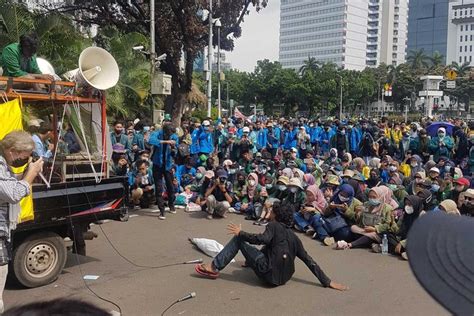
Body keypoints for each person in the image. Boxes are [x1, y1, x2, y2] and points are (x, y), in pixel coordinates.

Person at [195, 201, 348, 291]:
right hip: (284, 278)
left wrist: (241, 233)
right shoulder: (294, 237)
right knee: (272, 245)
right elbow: (309, 260)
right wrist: (327, 281)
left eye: (272, 212)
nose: (270, 214)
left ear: (276, 215)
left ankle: (214, 267)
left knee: (238, 240)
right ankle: (249, 262)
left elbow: (261, 239)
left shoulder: (273, 225)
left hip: (267, 274)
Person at [0, 131, 44, 313]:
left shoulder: (4, 165)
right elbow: (11, 194)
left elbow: (7, 186)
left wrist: (26, 174)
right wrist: (30, 175)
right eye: (24, 157)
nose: (25, 161)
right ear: (12, 151)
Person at [149, 122, 179, 220]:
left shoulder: (173, 135)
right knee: (159, 188)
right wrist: (165, 142)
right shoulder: (157, 133)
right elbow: (151, 140)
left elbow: (176, 149)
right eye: (169, 133)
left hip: (168, 165)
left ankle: (171, 205)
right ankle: (161, 210)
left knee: (170, 186)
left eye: (172, 133)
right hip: (157, 164)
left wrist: (173, 146)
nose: (171, 135)